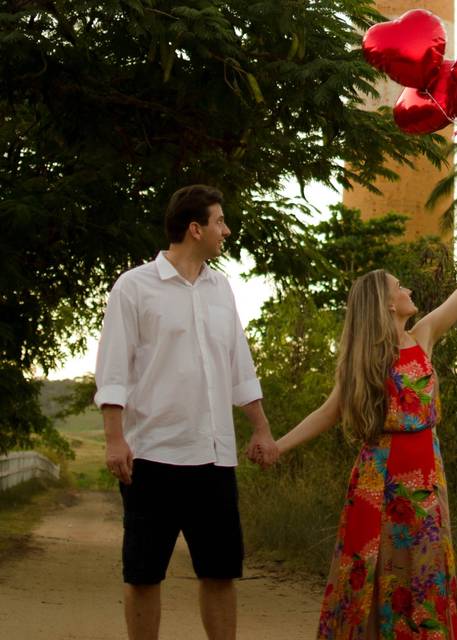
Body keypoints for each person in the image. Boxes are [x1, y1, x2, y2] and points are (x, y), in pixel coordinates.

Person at [265, 203, 457, 639]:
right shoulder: (364, 359)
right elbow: (329, 413)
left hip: (425, 475)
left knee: (422, 577)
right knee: (373, 574)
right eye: (398, 286)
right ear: (387, 303)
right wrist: (279, 446)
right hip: (378, 480)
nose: (407, 288)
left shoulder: (424, 335)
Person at [93, 184, 279, 640]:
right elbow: (113, 369)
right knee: (142, 573)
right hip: (152, 456)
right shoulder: (134, 287)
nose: (226, 230)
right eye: (219, 221)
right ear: (195, 229)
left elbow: (240, 362)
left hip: (214, 457)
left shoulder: (222, 289)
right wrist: (115, 438)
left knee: (219, 572)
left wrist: (261, 429)